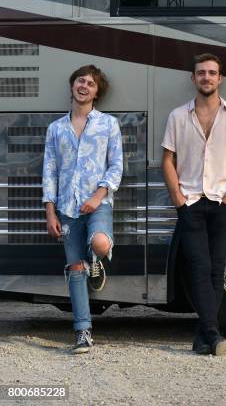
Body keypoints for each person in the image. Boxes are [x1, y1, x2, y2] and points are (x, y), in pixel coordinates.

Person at [162, 53, 226, 356]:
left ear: (220, 78)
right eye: (201, 73)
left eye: (212, 73)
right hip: (190, 202)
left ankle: (205, 335)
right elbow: (167, 160)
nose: (207, 78)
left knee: (216, 268)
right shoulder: (177, 116)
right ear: (193, 78)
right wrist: (178, 199)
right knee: (199, 266)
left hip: (222, 202)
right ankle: (212, 332)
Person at [42, 64, 123, 354]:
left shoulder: (108, 124)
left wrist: (98, 195)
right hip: (66, 208)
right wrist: (50, 212)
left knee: (100, 243)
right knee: (75, 269)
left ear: (97, 91)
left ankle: (97, 261)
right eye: (80, 81)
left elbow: (116, 166)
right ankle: (83, 331)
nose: (84, 86)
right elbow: (49, 171)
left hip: (98, 204)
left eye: (90, 83)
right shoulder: (56, 129)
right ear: (72, 85)